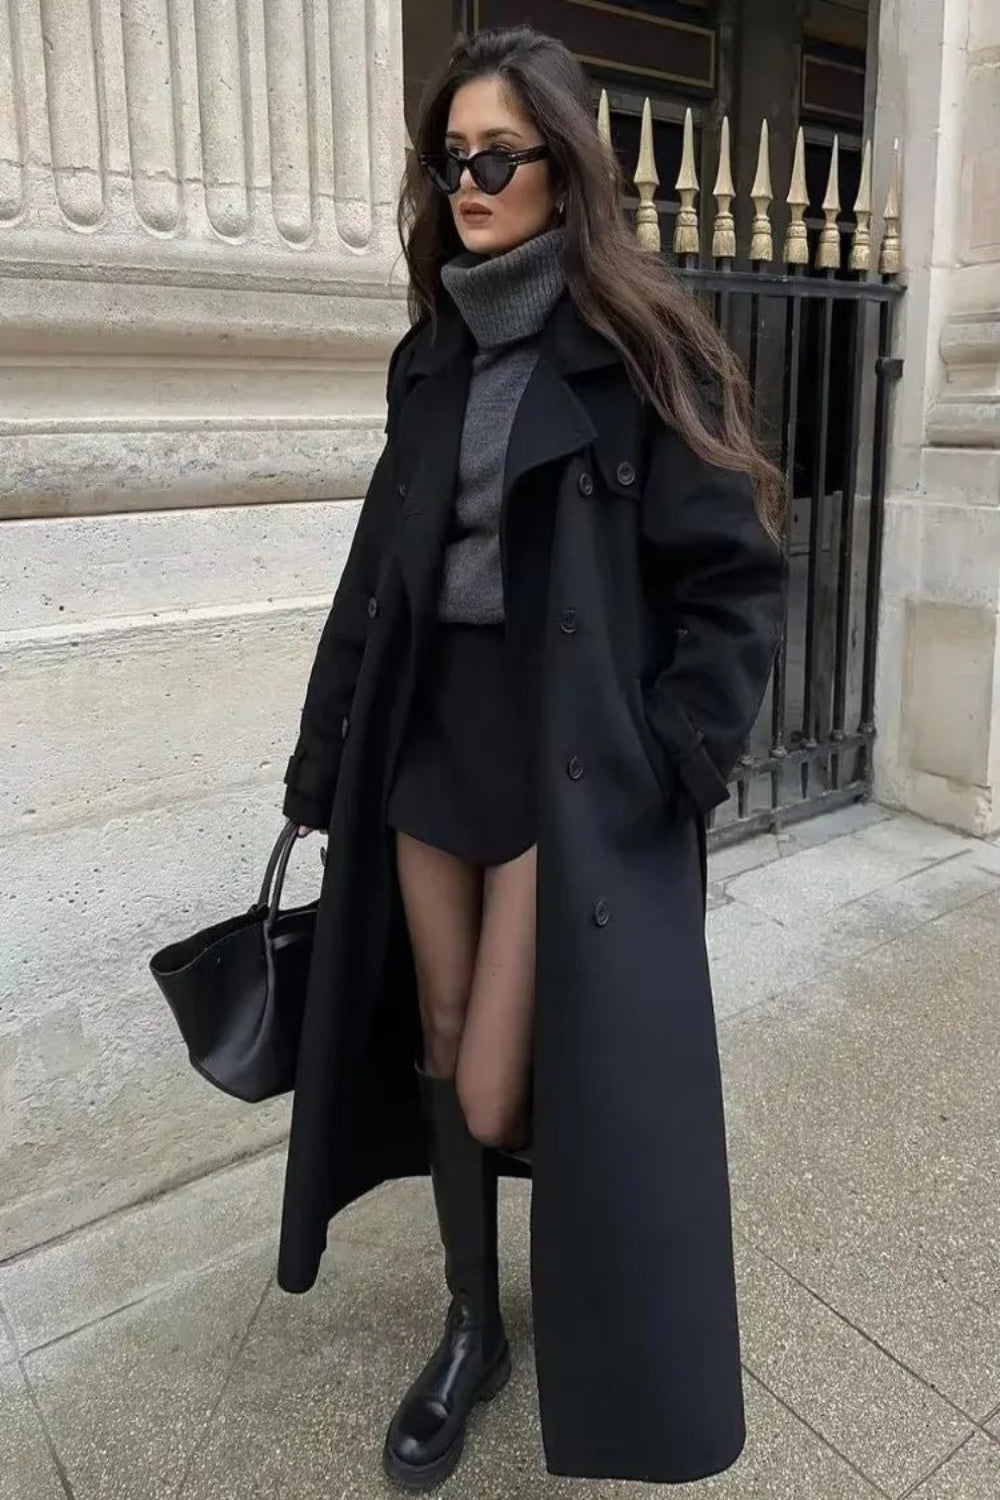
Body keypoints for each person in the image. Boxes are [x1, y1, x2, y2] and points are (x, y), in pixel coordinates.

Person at [278, 23, 786, 1493]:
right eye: (451, 161)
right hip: (427, 741)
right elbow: (377, 574)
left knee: (504, 1085)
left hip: (566, 762)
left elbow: (734, 582)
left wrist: (675, 761)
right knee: (442, 1038)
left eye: (496, 158)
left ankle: (591, 1274)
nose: (469, 184)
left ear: (565, 169)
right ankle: (471, 1327)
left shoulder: (643, 350)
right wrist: (320, 762)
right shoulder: (432, 354)